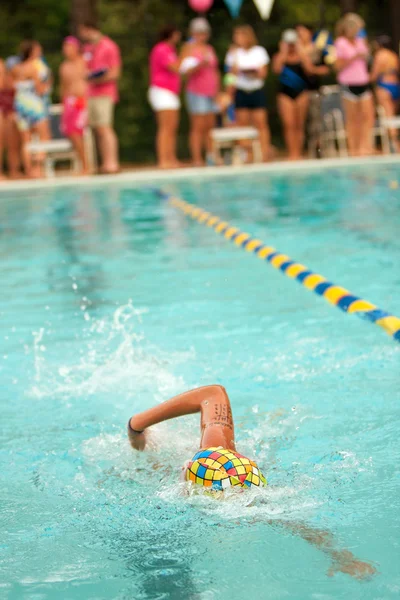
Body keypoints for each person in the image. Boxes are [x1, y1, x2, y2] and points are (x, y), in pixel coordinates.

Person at [128, 384, 376, 580]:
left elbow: (298, 523)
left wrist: (342, 557)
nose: (186, 465)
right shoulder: (215, 446)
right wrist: (138, 424)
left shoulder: (244, 499)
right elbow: (212, 393)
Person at [78, 19, 121, 174]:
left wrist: (95, 78)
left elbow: (115, 73)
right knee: (97, 129)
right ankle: (105, 163)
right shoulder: (88, 48)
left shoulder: (109, 46)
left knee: (105, 127)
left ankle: (112, 163)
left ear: (90, 29)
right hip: (92, 93)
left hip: (105, 93)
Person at [225, 25, 271, 162]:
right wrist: (228, 93)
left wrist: (254, 73)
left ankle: (263, 153)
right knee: (242, 124)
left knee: (261, 123)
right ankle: (248, 155)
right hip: (241, 90)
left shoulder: (259, 51)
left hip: (256, 90)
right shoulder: (233, 53)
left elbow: (263, 73)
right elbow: (230, 76)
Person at [180, 18, 220, 166]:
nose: (201, 36)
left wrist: (218, 91)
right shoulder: (188, 48)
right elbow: (184, 72)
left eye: (203, 33)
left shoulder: (209, 49)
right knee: (198, 126)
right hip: (196, 91)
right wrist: (200, 64)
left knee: (210, 126)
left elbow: (215, 71)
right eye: (198, 33)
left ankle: (211, 157)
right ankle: (197, 158)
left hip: (211, 92)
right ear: (193, 33)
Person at [334, 14, 375, 156]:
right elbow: (337, 65)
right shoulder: (340, 42)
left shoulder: (360, 41)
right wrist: (354, 57)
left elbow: (367, 60)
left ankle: (365, 147)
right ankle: (354, 149)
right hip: (348, 83)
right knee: (352, 119)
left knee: (367, 117)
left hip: (363, 82)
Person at [272, 29, 314, 160]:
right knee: (289, 124)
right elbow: (277, 69)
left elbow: (309, 70)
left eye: (292, 43)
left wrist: (300, 50)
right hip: (285, 94)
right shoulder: (280, 57)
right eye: (288, 43)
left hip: (301, 93)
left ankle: (298, 153)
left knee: (299, 124)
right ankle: (292, 153)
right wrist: (283, 52)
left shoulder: (302, 56)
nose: (291, 46)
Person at [13, 40, 50, 177]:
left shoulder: (17, 68)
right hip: (33, 104)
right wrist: (47, 84)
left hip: (20, 104)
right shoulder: (34, 67)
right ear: (32, 52)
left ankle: (28, 170)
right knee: (44, 136)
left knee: (26, 140)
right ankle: (37, 168)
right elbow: (40, 89)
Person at [148, 25, 182, 169]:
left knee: (172, 127)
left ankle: (171, 158)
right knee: (165, 127)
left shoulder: (170, 50)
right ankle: (163, 160)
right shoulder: (161, 48)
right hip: (162, 91)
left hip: (171, 92)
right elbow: (175, 67)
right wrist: (186, 54)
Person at [59, 36, 89, 174]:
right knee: (71, 134)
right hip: (69, 102)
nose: (66, 50)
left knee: (77, 133)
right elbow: (63, 87)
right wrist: (63, 105)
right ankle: (83, 164)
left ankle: (85, 165)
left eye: (69, 47)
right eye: (65, 47)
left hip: (82, 101)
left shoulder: (84, 62)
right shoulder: (64, 66)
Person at [370, 35, 400, 152]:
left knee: (388, 116)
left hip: (384, 86)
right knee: (394, 117)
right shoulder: (393, 55)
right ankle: (397, 144)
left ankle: (394, 145)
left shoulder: (380, 55)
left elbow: (374, 75)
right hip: (396, 86)